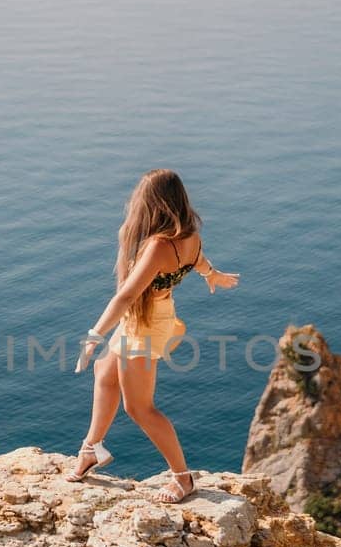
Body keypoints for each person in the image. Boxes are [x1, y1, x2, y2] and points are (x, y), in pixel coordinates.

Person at [68, 169, 239, 502]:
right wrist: (212, 274)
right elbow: (198, 260)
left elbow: (126, 296)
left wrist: (94, 334)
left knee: (140, 407)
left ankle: (182, 477)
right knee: (105, 374)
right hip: (149, 318)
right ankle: (91, 449)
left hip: (143, 327)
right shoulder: (190, 236)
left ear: (153, 205)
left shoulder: (158, 246)